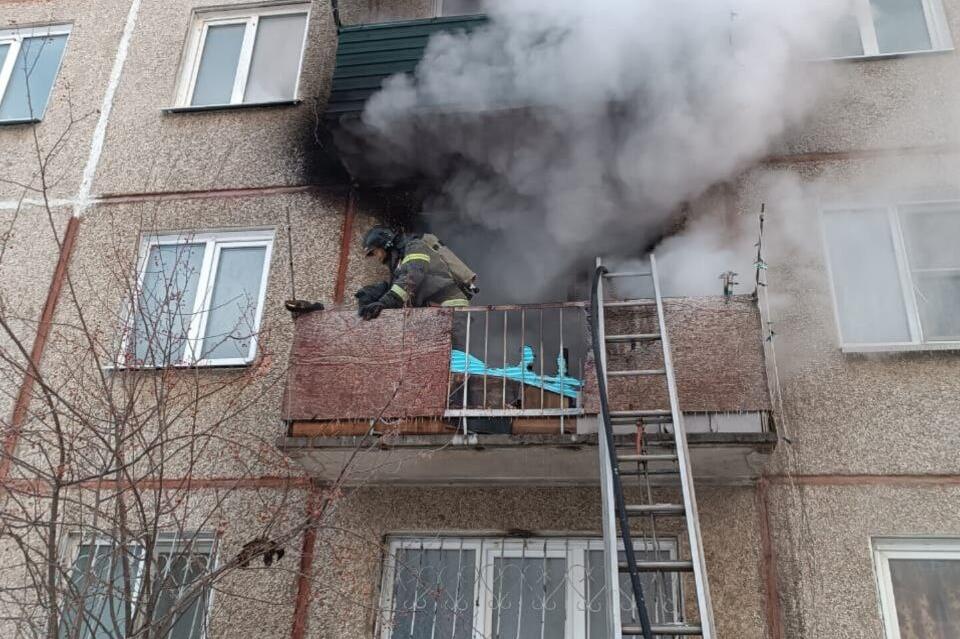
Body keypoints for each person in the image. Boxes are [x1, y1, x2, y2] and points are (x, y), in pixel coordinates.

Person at [356, 227, 470, 320]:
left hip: (450, 305)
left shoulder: (414, 246)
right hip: (435, 309)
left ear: (384, 244)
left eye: (374, 252)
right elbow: (399, 286)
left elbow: (413, 277)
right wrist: (373, 294)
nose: (376, 257)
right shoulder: (398, 260)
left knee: (450, 347)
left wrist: (383, 302)